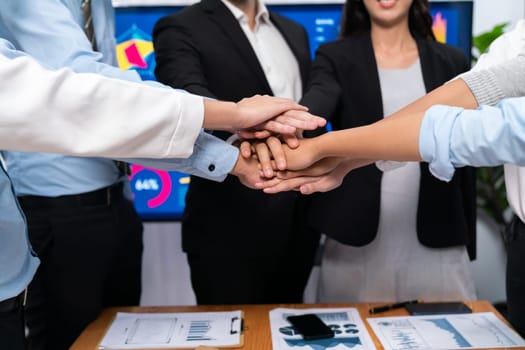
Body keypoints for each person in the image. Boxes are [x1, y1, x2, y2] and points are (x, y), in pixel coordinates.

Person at [0, 38, 324, 349]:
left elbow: (93, 92)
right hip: (44, 228)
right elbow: (60, 99)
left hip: (26, 269)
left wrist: (235, 155)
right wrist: (231, 116)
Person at [258, 19, 525, 335]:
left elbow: (471, 131)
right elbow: (478, 90)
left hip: (435, 230)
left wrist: (329, 149)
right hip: (516, 247)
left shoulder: (448, 56)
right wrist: (337, 155)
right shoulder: (515, 39)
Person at [288, 0, 476, 302]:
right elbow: (318, 100)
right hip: (355, 238)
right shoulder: (335, 56)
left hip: (438, 234)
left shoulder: (450, 60)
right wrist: (293, 120)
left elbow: (468, 154)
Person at [152, 0, 320, 304]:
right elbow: (187, 98)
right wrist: (244, 144)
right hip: (227, 226)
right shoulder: (180, 26)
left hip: (300, 221)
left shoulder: (294, 31)